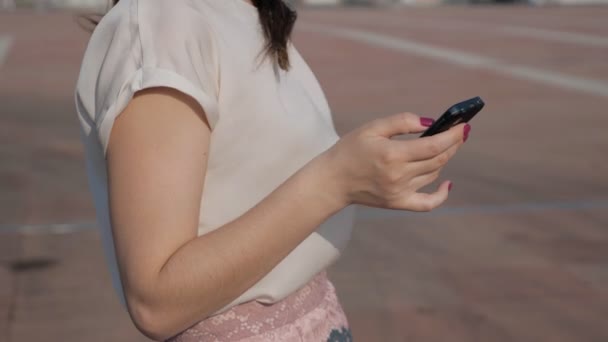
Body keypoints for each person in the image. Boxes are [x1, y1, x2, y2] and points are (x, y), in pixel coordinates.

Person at [74, 0, 470, 341]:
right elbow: (156, 300)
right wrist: (336, 180)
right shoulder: (167, 25)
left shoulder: (246, 13)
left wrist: (368, 175)